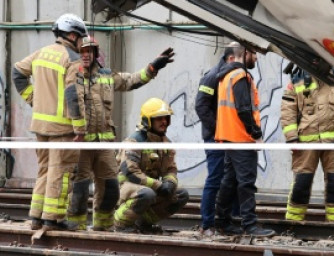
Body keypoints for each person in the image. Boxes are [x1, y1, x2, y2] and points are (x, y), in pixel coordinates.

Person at [66, 36, 175, 231]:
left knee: (109, 187)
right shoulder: (72, 77)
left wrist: (152, 67)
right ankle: (76, 227)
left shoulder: (106, 76)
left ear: (95, 54)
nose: (85, 55)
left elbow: (130, 80)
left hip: (105, 145)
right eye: (82, 51)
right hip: (82, 143)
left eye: (89, 51)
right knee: (79, 187)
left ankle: (104, 226)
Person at [11, 13, 88, 231]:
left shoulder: (41, 53)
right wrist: (80, 129)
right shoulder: (72, 59)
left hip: (40, 126)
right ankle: (53, 219)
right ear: (72, 35)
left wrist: (33, 99)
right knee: (61, 173)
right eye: (81, 38)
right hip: (62, 128)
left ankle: (36, 217)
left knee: (44, 170)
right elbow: (74, 96)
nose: (82, 43)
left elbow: (18, 72)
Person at [213, 44, 275, 237]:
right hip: (241, 138)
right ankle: (250, 225)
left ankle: (222, 222)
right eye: (254, 53)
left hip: (230, 137)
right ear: (245, 53)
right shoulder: (241, 76)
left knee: (229, 181)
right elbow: (244, 109)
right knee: (246, 182)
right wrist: (256, 134)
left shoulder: (225, 76)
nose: (256, 58)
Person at [280, 68, 334, 223]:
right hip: (306, 142)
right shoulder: (297, 80)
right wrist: (292, 138)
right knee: (301, 184)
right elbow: (287, 110)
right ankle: (293, 223)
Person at [113, 97, 190, 234]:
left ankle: (144, 223)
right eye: (159, 118)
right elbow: (130, 172)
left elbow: (170, 169)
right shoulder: (134, 142)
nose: (164, 122)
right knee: (147, 194)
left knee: (181, 194)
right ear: (147, 121)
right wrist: (158, 186)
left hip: (149, 187)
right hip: (126, 187)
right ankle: (119, 223)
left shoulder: (166, 144)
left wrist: (169, 183)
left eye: (166, 118)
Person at [196, 41, 240, 237]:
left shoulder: (232, 76)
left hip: (230, 138)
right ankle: (207, 224)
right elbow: (201, 106)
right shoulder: (212, 77)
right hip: (217, 138)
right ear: (231, 58)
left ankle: (230, 221)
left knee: (232, 180)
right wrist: (219, 130)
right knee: (215, 179)